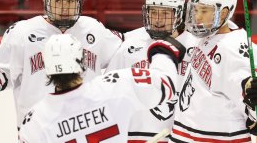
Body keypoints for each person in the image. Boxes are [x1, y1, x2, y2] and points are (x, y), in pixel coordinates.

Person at [0, 0, 122, 131]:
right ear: (46, 0)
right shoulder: (23, 33)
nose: (64, 9)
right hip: (36, 131)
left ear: (79, 1)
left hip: (85, 130)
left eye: (70, 1)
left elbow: (127, 52)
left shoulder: (93, 29)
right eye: (58, 1)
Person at [19, 34, 186, 143]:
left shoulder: (35, 120)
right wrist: (162, 52)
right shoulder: (114, 86)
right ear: (81, 60)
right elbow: (166, 84)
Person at [169, 0, 257, 142]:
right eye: (196, 10)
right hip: (187, 133)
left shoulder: (235, 48)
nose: (197, 16)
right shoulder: (208, 33)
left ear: (224, 13)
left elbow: (255, 93)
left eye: (204, 11)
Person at [106, 0, 199, 142]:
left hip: (181, 137)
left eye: (165, 14)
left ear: (179, 13)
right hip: (136, 136)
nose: (158, 20)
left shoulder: (196, 46)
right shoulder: (130, 43)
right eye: (153, 12)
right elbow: (109, 93)